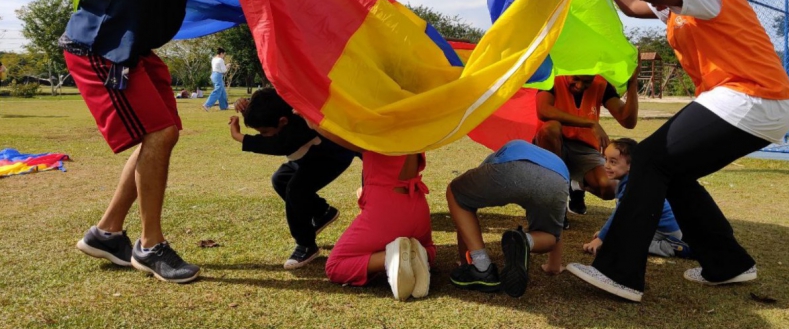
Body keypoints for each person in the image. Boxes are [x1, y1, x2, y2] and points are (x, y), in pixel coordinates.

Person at [566, 0, 789, 303]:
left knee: (649, 160)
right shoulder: (681, 7)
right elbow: (633, 4)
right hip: (763, 104)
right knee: (673, 174)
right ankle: (728, 264)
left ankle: (618, 272)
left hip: (751, 96)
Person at [61, 0, 229, 283]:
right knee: (160, 133)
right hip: (102, 43)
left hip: (133, 49)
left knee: (160, 136)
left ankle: (106, 233)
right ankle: (150, 246)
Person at [299, 115, 435, 301]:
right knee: (428, 249)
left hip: (386, 211)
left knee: (335, 265)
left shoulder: (379, 129)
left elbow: (338, 135)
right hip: (417, 205)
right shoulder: (413, 125)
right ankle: (415, 253)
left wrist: (310, 118)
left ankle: (392, 256)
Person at [228, 88, 356, 268]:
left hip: (331, 156)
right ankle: (322, 212)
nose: (264, 134)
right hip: (308, 155)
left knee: (296, 190)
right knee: (280, 179)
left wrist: (238, 136)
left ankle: (306, 245)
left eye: (264, 131)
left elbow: (277, 144)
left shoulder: (297, 126)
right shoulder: (281, 106)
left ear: (283, 121)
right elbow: (265, 103)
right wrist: (245, 106)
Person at [447, 140, 569, 298]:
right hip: (557, 179)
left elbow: (464, 205)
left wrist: (465, 261)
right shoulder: (554, 160)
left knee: (456, 192)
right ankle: (526, 240)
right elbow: (557, 229)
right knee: (549, 234)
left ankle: (481, 266)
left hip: (510, 168)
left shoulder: (497, 155)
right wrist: (553, 266)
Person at [535, 66, 639, 215]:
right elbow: (543, 110)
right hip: (552, 144)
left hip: (584, 148)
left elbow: (628, 122)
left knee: (609, 187)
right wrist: (590, 123)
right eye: (575, 78)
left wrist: (633, 83)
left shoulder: (601, 84)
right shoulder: (552, 76)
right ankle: (555, 203)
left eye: (586, 82)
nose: (579, 85)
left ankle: (577, 186)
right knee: (550, 128)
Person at [582, 138, 690, 259]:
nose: (606, 165)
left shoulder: (633, 185)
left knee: (622, 244)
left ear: (631, 165)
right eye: (605, 160)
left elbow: (618, 215)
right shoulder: (630, 180)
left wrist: (602, 238)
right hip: (651, 226)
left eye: (613, 162)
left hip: (663, 232)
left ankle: (672, 247)